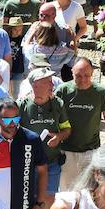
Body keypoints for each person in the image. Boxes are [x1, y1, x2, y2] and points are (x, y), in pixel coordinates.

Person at [58, 57, 105, 190]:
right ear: (72, 72)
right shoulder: (63, 91)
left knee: (89, 190)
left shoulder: (100, 92)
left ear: (92, 73)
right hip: (67, 150)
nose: (83, 79)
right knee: (67, 190)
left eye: (86, 75)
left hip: (91, 151)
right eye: (78, 76)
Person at [20, 66, 72, 195]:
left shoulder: (58, 104)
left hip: (52, 163)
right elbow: (11, 132)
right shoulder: (21, 105)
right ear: (35, 85)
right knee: (29, 201)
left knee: (49, 200)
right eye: (47, 81)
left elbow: (67, 129)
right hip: (28, 165)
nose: (52, 84)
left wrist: (59, 137)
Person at [22, 3, 76, 76]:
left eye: (46, 16)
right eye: (41, 15)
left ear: (54, 15)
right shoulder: (34, 27)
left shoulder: (63, 30)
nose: (43, 18)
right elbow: (23, 45)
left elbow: (72, 56)